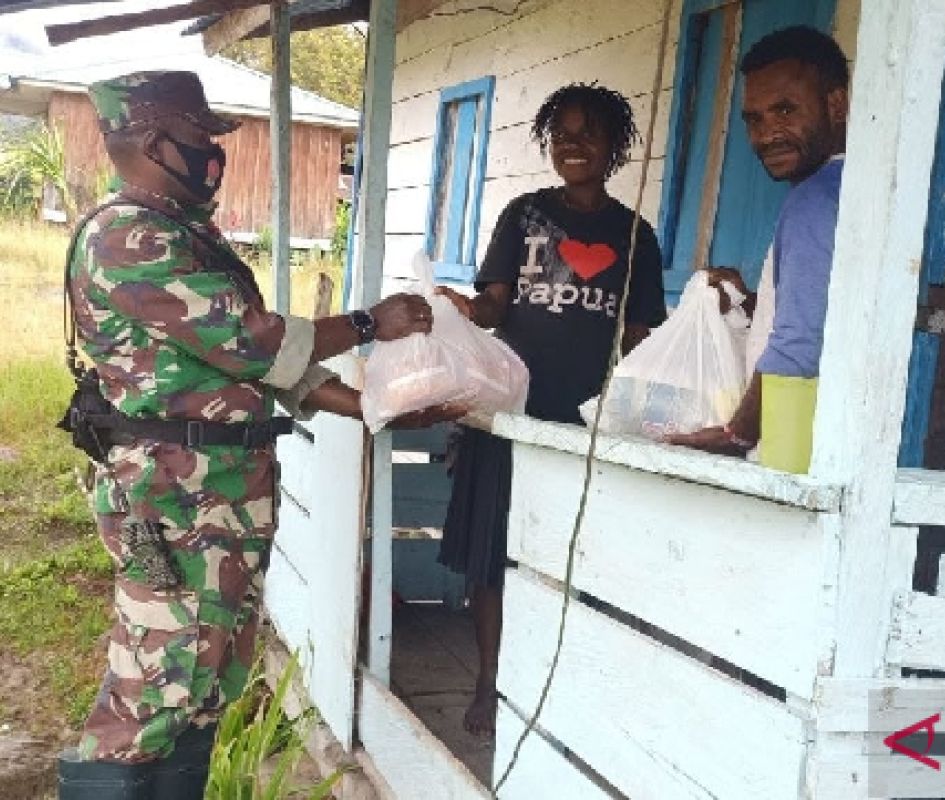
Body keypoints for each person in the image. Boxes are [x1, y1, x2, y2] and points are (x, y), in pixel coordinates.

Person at [59, 71, 460, 799]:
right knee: (154, 687)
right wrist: (371, 323)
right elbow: (253, 343)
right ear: (153, 140)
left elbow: (258, 372)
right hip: (173, 504)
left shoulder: (188, 234)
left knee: (209, 674)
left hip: (219, 503)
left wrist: (370, 408)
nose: (215, 155)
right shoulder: (129, 237)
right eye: (201, 139)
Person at [437, 82, 667, 736]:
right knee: (492, 553)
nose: (573, 143)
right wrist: (462, 308)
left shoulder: (633, 235)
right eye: (561, 133)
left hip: (584, 423)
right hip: (511, 410)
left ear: (615, 146)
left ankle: (554, 682)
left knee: (567, 560)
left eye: (588, 131)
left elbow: (641, 336)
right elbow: (494, 308)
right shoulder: (523, 215)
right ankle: (490, 679)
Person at [669, 25, 849, 466]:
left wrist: (737, 433)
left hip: (792, 451)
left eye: (786, 110)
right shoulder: (858, 190)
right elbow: (831, 315)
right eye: (755, 119)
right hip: (841, 447)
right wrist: (752, 304)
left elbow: (798, 345)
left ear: (836, 103)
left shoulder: (815, 198)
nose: (768, 134)